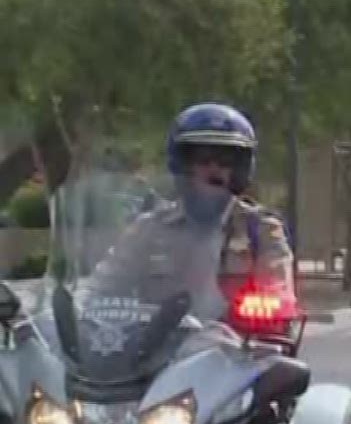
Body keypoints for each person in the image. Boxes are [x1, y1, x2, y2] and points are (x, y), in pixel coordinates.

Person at [85, 102, 294, 324]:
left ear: (240, 169)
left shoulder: (261, 230)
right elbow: (102, 287)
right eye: (202, 158)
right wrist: (79, 308)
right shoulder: (150, 228)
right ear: (182, 164)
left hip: (238, 351)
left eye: (226, 160)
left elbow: (277, 288)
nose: (214, 169)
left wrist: (272, 302)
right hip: (160, 353)